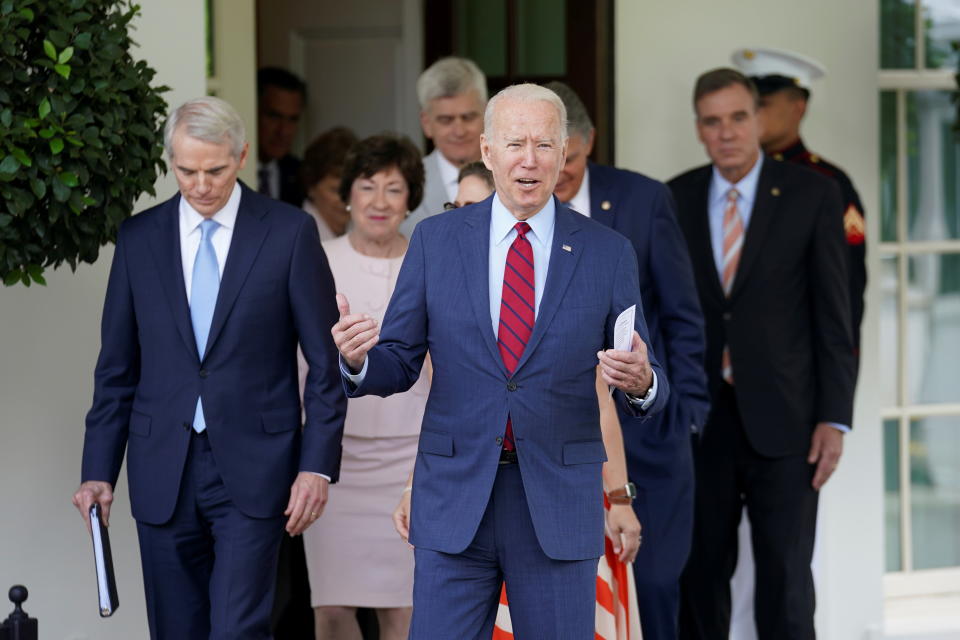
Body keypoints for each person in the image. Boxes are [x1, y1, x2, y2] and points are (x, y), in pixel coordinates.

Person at [333, 83, 669, 640]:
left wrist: (642, 382)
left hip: (556, 502)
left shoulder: (607, 252)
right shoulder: (435, 241)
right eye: (516, 143)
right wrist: (358, 361)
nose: (530, 160)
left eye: (544, 144)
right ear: (487, 152)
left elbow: (643, 374)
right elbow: (399, 360)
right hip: (454, 497)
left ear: (565, 154)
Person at [72, 96, 346, 639]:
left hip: (256, 466)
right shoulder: (137, 239)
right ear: (171, 161)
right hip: (161, 467)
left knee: (238, 629)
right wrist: (98, 469)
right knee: (175, 630)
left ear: (241, 156)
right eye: (186, 170)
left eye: (214, 170)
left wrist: (316, 466)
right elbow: (117, 369)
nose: (200, 184)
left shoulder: (288, 233)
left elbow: (325, 363)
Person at [668, 69, 855, 640]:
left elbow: (834, 317)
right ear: (699, 129)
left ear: (759, 119)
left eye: (738, 118)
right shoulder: (675, 196)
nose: (726, 133)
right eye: (712, 121)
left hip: (788, 422)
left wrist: (834, 417)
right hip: (699, 423)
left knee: (785, 583)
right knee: (698, 581)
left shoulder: (813, 194)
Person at [547, 80, 709, 640]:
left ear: (589, 142)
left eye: (569, 156)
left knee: (656, 587)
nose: (559, 170)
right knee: (576, 600)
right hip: (558, 445)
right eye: (549, 153)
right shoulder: (512, 212)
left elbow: (683, 314)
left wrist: (684, 408)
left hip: (649, 441)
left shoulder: (643, 200)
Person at [301, 134, 427, 640]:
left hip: (413, 459)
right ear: (346, 195)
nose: (379, 202)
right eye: (367, 186)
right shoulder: (314, 258)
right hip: (336, 462)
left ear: (410, 199)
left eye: (393, 189)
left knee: (404, 610)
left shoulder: (430, 258)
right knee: (331, 609)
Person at [732, 47, 866, 354]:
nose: (752, 115)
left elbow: (846, 289)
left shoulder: (827, 184)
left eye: (763, 104)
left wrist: (838, 375)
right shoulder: (726, 180)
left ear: (799, 107)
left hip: (794, 362)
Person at [400, 57, 487, 237]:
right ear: (426, 123)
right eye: (446, 120)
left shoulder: (512, 175)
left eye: (468, 117)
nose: (459, 131)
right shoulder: (403, 182)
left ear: (487, 114)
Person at [258, 66, 308, 205]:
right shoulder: (227, 171)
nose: (284, 131)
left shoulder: (301, 176)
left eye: (293, 119)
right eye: (274, 117)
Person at [301, 126, 359, 240]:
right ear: (311, 187)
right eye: (336, 190)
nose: (345, 199)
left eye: (351, 189)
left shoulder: (364, 231)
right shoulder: (297, 236)